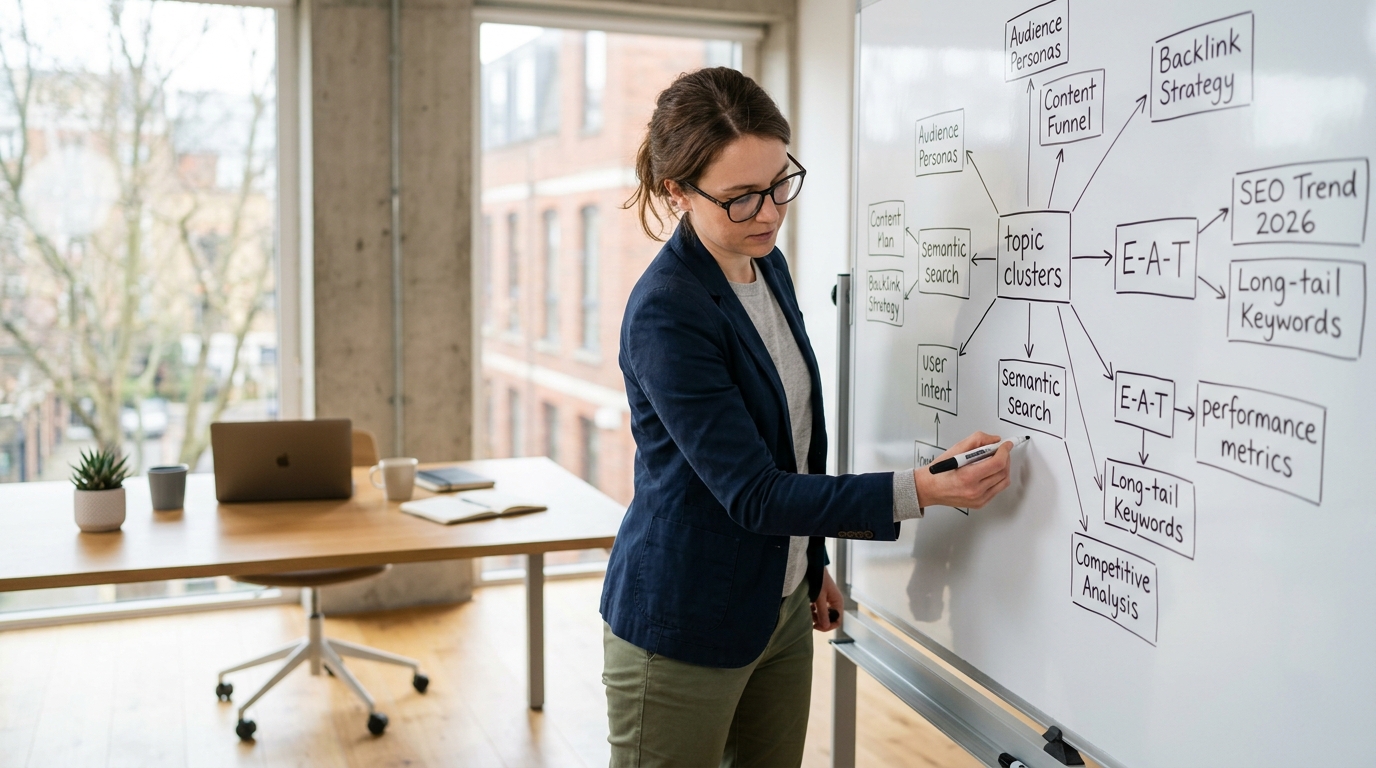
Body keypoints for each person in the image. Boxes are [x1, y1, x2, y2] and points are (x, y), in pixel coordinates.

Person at [600, 67, 1015, 768]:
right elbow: (755, 491)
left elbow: (793, 439)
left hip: (780, 603)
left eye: (778, 184)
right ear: (678, 190)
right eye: (739, 198)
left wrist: (811, 559)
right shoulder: (667, 311)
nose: (767, 213)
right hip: (685, 623)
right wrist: (924, 488)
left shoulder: (768, 265)